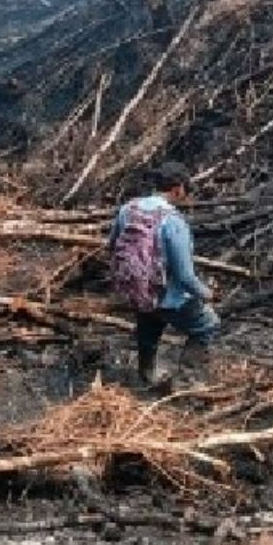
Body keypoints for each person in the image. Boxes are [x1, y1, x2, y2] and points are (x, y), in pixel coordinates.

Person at [108, 161, 222, 388]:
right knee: (208, 325)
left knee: (149, 324)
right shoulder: (173, 221)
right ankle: (187, 382)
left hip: (137, 291)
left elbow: (112, 245)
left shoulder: (128, 209)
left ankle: (146, 375)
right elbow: (185, 277)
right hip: (168, 297)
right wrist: (206, 293)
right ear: (177, 188)